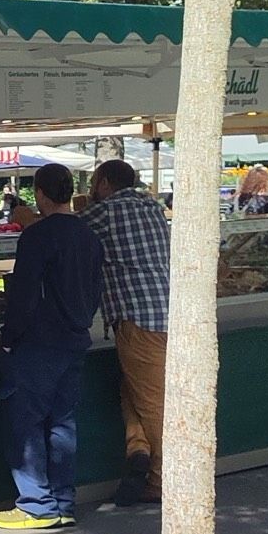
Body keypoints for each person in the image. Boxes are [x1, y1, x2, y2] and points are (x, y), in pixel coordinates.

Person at [0, 163, 103, 533]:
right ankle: (63, 502)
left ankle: (36, 504)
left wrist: (9, 338)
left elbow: (23, 294)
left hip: (38, 342)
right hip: (74, 338)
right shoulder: (88, 234)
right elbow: (96, 288)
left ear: (39, 193)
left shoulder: (37, 236)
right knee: (62, 422)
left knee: (26, 423)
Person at [81, 159, 172, 507]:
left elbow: (64, 228)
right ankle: (139, 449)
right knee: (131, 390)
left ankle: (162, 479)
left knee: (152, 402)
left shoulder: (105, 213)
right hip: (165, 311)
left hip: (137, 318)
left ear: (104, 183)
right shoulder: (151, 206)